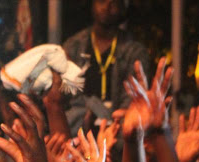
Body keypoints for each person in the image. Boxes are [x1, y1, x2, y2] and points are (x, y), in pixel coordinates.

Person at [63, 0, 150, 133]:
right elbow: (66, 97)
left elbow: (132, 101)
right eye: (102, 1)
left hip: (117, 134)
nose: (107, 6)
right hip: (78, 133)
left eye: (114, 2)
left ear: (123, 8)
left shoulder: (134, 51)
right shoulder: (73, 46)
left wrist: (114, 126)